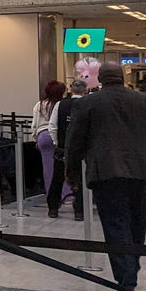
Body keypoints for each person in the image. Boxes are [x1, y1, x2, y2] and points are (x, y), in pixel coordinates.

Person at [65, 62, 146, 291]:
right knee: (138, 222)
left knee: (116, 224)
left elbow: (74, 141)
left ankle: (126, 279)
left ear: (100, 79)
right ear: (121, 77)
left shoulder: (87, 103)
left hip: (107, 171)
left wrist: (71, 172)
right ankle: (131, 268)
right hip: (143, 171)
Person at [48, 79, 89, 219]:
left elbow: (52, 126)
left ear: (71, 90)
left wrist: (57, 142)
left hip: (62, 148)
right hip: (82, 150)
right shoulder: (88, 104)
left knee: (57, 178)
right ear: (85, 90)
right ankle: (79, 211)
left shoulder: (60, 104)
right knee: (81, 179)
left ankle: (53, 208)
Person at [33, 81, 65, 205]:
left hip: (42, 136)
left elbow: (34, 124)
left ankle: (50, 195)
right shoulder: (60, 105)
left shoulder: (39, 105)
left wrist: (36, 138)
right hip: (58, 136)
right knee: (62, 167)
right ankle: (65, 195)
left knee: (48, 168)